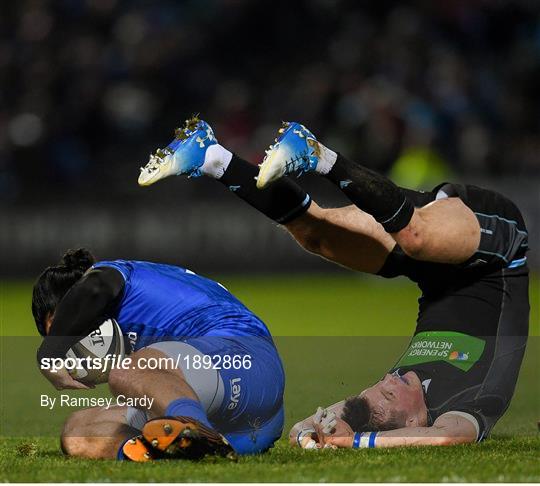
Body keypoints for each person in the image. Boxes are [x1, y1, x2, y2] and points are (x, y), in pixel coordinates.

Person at [138, 117, 529, 449]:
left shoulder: (379, 402)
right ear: (413, 423)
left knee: (315, 235)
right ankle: (318, 155)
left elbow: (301, 429)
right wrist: (358, 443)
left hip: (431, 272)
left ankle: (212, 157)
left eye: (372, 392)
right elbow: (446, 439)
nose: (382, 385)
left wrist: (318, 435)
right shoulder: (468, 403)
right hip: (495, 256)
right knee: (417, 236)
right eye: (385, 398)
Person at [33, 249, 285, 461]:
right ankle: (176, 449)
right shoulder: (138, 329)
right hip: (247, 427)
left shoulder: (113, 275)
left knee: (127, 372)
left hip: (246, 362)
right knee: (77, 431)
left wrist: (48, 354)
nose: (69, 353)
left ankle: (194, 432)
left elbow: (95, 287)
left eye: (60, 328)